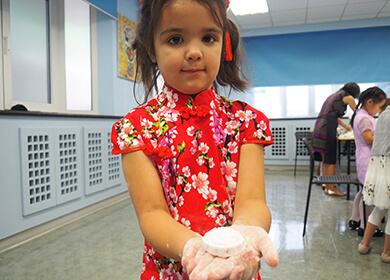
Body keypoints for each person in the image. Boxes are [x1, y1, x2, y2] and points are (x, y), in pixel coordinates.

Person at [111, 0, 279, 279]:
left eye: (208, 38)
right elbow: (152, 213)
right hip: (170, 268)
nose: (194, 52)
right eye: (175, 39)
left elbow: (251, 201)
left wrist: (244, 235)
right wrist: (192, 247)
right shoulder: (135, 129)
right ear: (152, 48)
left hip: (235, 264)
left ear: (223, 44)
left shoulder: (247, 122)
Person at [348, 87, 387, 237]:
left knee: (364, 191)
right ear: (370, 102)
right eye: (379, 106)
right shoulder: (364, 118)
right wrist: (383, 135)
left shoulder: (359, 114)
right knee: (369, 195)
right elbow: (369, 139)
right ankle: (365, 226)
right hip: (367, 159)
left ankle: (355, 219)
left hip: (364, 157)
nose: (378, 110)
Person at [312, 82, 360, 196]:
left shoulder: (335, 95)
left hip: (320, 126)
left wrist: (346, 127)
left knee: (325, 159)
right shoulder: (347, 97)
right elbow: (358, 113)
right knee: (331, 159)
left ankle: (327, 186)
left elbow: (333, 116)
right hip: (327, 127)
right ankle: (332, 188)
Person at [358, 98, 390, 263]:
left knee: (380, 207)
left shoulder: (383, 115)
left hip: (378, 166)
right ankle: (387, 252)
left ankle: (364, 243)